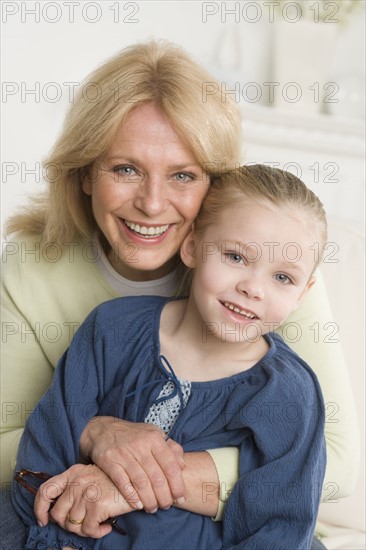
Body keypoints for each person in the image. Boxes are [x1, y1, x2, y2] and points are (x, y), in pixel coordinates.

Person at [0, 40, 359, 548]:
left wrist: (131, 484)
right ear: (84, 173)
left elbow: (335, 463)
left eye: (183, 176)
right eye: (125, 168)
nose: (151, 203)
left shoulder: (271, 273)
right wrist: (95, 433)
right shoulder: (61, 289)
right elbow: (12, 448)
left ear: (215, 183)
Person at [13, 164, 327, 549]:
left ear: (303, 293)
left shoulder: (288, 393)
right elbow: (47, 442)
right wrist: (51, 539)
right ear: (192, 246)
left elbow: (280, 525)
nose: (252, 288)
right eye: (235, 257)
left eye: (282, 277)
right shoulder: (112, 327)